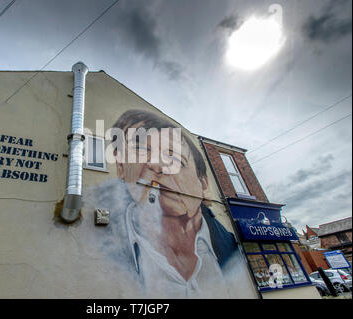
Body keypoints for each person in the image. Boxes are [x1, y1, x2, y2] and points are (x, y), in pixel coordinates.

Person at [83, 110, 255, 298]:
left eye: (175, 158)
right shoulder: (94, 241)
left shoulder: (231, 248)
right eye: (141, 152)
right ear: (121, 168)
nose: (156, 165)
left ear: (204, 186)